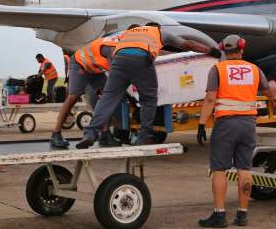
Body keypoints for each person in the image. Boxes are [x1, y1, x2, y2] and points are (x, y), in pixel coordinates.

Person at [76, 23, 222, 149]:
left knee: (108, 98)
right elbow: (187, 44)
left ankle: (90, 133)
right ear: (157, 28)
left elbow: (154, 51)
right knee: (149, 99)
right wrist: (210, 50)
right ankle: (144, 136)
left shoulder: (131, 32)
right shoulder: (159, 32)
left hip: (119, 59)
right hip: (141, 59)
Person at [196, 35, 276, 228]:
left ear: (224, 50)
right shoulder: (254, 69)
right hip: (248, 124)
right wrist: (273, 84)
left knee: (219, 169)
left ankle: (220, 214)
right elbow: (270, 93)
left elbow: (210, 99)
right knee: (244, 169)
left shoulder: (217, 69)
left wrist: (201, 123)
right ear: (242, 49)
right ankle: (242, 214)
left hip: (225, 124)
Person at [50, 35, 121, 149]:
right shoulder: (116, 47)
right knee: (73, 96)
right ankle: (56, 134)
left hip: (95, 68)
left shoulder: (123, 44)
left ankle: (105, 135)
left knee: (107, 95)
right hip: (80, 63)